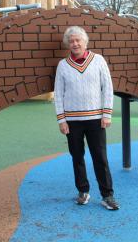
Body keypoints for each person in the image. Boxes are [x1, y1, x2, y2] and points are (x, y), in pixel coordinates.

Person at [54, 26, 120, 211]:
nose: (75, 44)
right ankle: (83, 191)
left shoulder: (98, 60)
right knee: (77, 157)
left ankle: (107, 195)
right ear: (68, 44)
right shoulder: (62, 65)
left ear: (85, 42)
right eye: (72, 41)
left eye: (78, 40)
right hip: (72, 121)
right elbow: (58, 94)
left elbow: (108, 88)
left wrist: (106, 114)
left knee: (100, 157)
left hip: (96, 119)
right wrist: (61, 120)